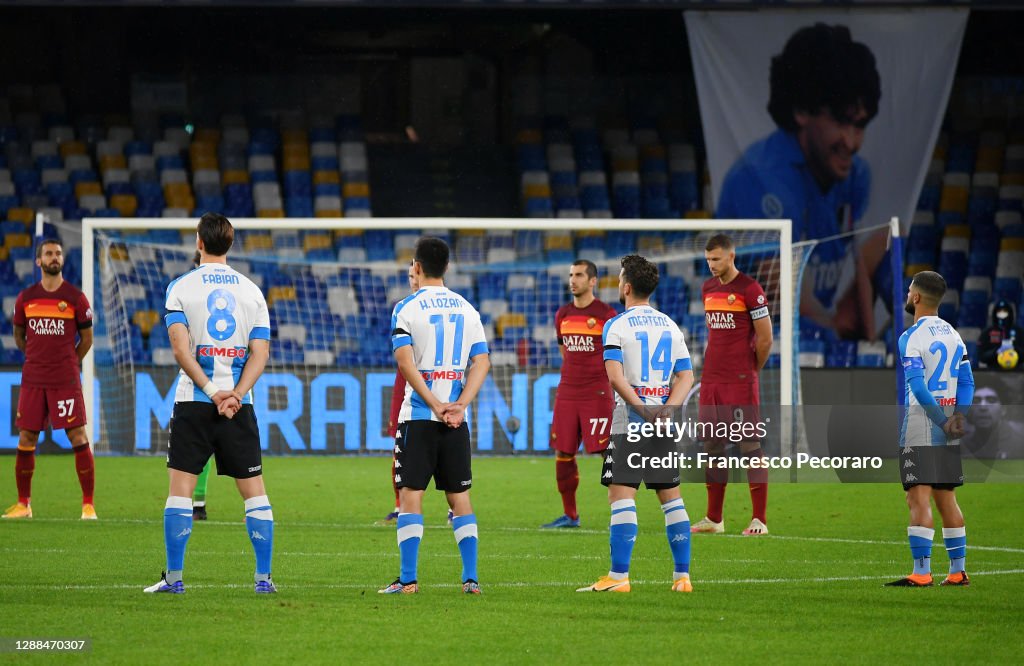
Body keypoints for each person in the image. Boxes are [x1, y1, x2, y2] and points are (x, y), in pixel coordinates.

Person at [716, 23, 887, 341]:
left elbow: (861, 266)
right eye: (840, 122)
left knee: (888, 240)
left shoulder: (856, 176)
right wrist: (838, 333)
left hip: (815, 332)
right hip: (753, 339)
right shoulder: (757, 179)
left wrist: (871, 344)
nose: (850, 143)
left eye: (860, 126)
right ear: (801, 111)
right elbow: (791, 303)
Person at [144, 213, 275, 594]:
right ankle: (263, 580)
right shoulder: (252, 291)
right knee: (255, 491)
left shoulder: (181, 287)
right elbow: (260, 353)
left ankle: (175, 578)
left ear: (198, 241)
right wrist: (234, 393)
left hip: (194, 401)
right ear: (230, 243)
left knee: (180, 489)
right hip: (239, 405)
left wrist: (210, 389)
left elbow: (180, 349)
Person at [379, 237, 491, 595]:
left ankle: (408, 580)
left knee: (411, 493)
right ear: (447, 267)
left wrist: (433, 403)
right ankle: (470, 579)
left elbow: (404, 363)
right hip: (456, 421)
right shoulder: (467, 308)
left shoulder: (406, 308)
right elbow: (483, 361)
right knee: (460, 498)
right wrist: (459, 404)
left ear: (416, 266)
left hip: (418, 417)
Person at [577, 255, 695, 593]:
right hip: (664, 422)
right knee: (672, 498)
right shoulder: (670, 325)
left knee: (622, 496)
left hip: (630, 420)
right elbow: (686, 375)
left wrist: (643, 410)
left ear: (626, 286)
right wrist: (667, 410)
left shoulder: (616, 325)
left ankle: (618, 578)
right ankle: (682, 578)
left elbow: (615, 378)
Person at [886, 270, 974, 587]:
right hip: (949, 424)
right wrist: (957, 418)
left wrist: (940, 420)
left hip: (922, 425)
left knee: (917, 499)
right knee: (946, 498)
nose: (908, 295)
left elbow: (918, 388)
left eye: (910, 290)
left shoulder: (911, 337)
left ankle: (921, 572)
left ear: (917, 297)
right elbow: (967, 382)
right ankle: (957, 571)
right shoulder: (954, 334)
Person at [3, 239, 95, 520]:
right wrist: (37, 357)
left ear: (62, 260)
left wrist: (68, 362)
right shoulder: (26, 298)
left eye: (57, 253)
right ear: (38, 261)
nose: (54, 257)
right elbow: (20, 336)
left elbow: (87, 339)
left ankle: (88, 505)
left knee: (77, 435)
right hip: (33, 379)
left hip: (64, 379)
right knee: (27, 437)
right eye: (48, 254)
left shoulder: (76, 298)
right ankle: (23, 504)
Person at [692, 234, 773, 536]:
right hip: (712, 378)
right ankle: (714, 519)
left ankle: (759, 520)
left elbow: (765, 338)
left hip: (739, 381)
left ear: (731, 256)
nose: (711, 265)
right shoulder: (708, 288)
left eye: (716, 259)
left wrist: (750, 369)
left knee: (749, 445)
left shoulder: (750, 289)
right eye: (708, 259)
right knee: (712, 445)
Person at [542, 259, 617, 529]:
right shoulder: (562, 314)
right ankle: (571, 515)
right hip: (568, 391)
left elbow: (614, 356)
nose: (573, 280)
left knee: (607, 452)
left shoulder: (607, 315)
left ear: (593, 281)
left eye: (579, 275)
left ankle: (620, 512)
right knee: (563, 451)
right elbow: (566, 352)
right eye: (571, 275)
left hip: (596, 392)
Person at [382, 261, 419, 524]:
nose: (413, 280)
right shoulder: (403, 308)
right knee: (399, 446)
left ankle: (454, 506)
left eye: (415, 274)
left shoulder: (442, 306)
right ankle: (399, 505)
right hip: (403, 381)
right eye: (409, 276)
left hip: (435, 381)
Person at [189, 250, 212, 521]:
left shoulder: (187, 291)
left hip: (221, 377)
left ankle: (252, 508)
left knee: (240, 448)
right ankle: (198, 504)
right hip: (198, 376)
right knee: (199, 445)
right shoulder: (188, 292)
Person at [960, 381, 1024, 461]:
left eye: (991, 400)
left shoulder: (1020, 443)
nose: (982, 407)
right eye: (976, 401)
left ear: (1003, 409)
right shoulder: (962, 445)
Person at [978, 299, 1024, 371]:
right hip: (993, 371)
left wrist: (1015, 350)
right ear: (995, 313)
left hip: (1016, 372)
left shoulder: (1019, 331)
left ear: (1010, 313)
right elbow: (982, 357)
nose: (1002, 314)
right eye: (999, 311)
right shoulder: (987, 332)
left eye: (1005, 311)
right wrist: (996, 351)